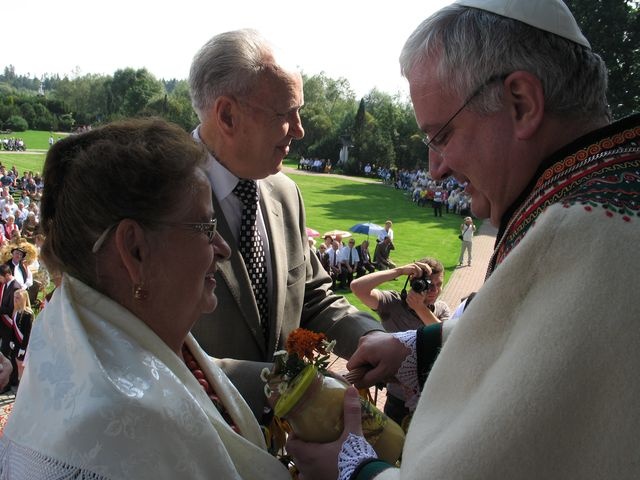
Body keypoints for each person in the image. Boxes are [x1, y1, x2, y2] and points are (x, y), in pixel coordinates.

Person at [286, 0, 640, 478]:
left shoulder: (585, 232)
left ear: (522, 103)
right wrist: (418, 347)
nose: (437, 168)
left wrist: (352, 469)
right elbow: (528, 339)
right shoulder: (596, 202)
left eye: (442, 135)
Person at [0, 119, 290, 479]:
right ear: (135, 250)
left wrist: (292, 384)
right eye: (206, 228)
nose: (223, 248)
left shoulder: (71, 331)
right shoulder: (136, 428)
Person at [188, 29, 383, 416]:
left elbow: (313, 297)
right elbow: (148, 347)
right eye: (286, 114)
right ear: (227, 115)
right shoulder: (156, 200)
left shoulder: (284, 193)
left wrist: (371, 337)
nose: (300, 129)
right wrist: (291, 386)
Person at [350, 258, 449, 425]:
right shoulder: (393, 303)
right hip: (397, 398)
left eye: (439, 285)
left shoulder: (441, 309)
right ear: (414, 282)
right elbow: (357, 288)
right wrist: (399, 271)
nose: (434, 290)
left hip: (430, 396)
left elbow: (445, 338)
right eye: (429, 285)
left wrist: (420, 309)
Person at [5, 289, 33, 387]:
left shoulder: (28, 314)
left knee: (22, 367)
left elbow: (27, 333)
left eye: (18, 297)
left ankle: (23, 387)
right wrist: (12, 340)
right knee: (17, 365)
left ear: (24, 298)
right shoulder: (16, 312)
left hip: (23, 345)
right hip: (16, 344)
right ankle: (20, 385)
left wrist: (23, 348)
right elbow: (13, 329)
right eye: (14, 297)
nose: (15, 299)